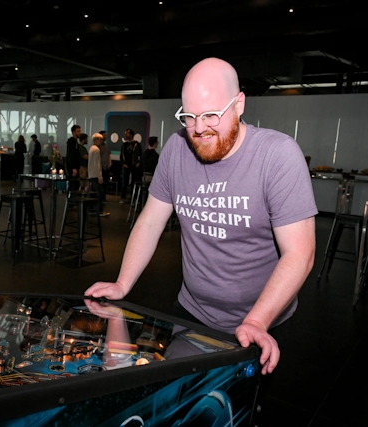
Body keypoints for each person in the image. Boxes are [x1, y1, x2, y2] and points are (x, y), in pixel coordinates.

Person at [85, 57, 317, 377]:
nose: (198, 128)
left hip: (264, 319)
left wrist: (256, 321)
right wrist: (123, 283)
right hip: (192, 311)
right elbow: (151, 221)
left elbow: (300, 253)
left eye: (211, 115)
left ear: (239, 105)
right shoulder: (177, 149)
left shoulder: (278, 155)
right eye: (189, 116)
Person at [88, 133, 109, 217]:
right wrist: (100, 176)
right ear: (96, 140)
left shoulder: (91, 148)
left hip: (91, 173)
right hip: (96, 174)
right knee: (100, 192)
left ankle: (91, 209)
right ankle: (99, 210)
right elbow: (97, 164)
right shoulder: (97, 150)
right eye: (100, 140)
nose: (101, 141)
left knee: (93, 192)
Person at [119, 128, 135, 203]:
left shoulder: (136, 144)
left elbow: (139, 155)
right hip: (125, 166)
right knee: (124, 183)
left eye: (127, 133)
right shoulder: (124, 145)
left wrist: (138, 163)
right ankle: (123, 197)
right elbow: (121, 155)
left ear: (131, 134)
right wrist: (123, 163)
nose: (125, 135)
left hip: (134, 166)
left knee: (133, 183)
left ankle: (133, 198)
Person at [66, 125, 82, 191]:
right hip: (72, 166)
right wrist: (74, 167)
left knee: (75, 184)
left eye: (80, 131)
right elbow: (72, 155)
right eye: (78, 131)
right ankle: (71, 199)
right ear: (73, 132)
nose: (80, 133)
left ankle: (71, 198)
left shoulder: (75, 142)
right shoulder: (72, 142)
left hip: (73, 166)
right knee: (74, 184)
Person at [98, 130, 111, 197]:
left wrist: (110, 162)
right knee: (100, 183)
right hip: (100, 167)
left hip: (106, 166)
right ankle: (100, 196)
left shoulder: (106, 146)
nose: (106, 136)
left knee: (105, 182)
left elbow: (108, 154)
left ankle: (104, 196)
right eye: (104, 135)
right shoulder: (98, 146)